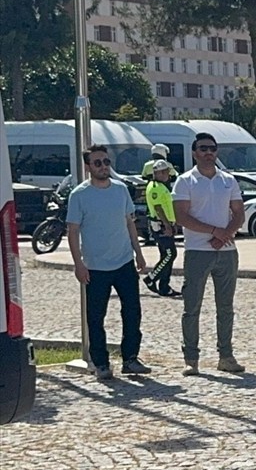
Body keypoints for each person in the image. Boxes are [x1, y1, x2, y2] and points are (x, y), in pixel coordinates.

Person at [66, 145, 151, 379]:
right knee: (96, 317)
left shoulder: (121, 190)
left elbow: (129, 223)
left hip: (124, 262)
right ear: (88, 166)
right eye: (97, 163)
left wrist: (139, 253)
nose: (103, 167)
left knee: (132, 312)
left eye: (106, 162)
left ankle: (131, 358)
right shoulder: (79, 195)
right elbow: (72, 231)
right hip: (94, 266)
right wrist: (78, 264)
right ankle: (101, 363)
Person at [173, 132, 246, 375]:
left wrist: (224, 235)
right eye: (203, 148)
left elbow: (238, 213)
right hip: (197, 250)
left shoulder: (228, 180)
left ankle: (226, 355)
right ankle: (191, 358)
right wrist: (215, 232)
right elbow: (181, 216)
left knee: (225, 307)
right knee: (192, 306)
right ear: (194, 153)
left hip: (227, 251)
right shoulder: (185, 181)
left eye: (212, 148)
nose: (208, 153)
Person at [142, 159, 182, 298]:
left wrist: (172, 223)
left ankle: (164, 286)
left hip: (164, 224)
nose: (167, 175)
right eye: (164, 172)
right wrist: (167, 225)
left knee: (166, 255)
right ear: (158, 173)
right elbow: (159, 208)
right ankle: (151, 278)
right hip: (160, 225)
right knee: (171, 254)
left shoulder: (159, 185)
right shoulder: (155, 187)